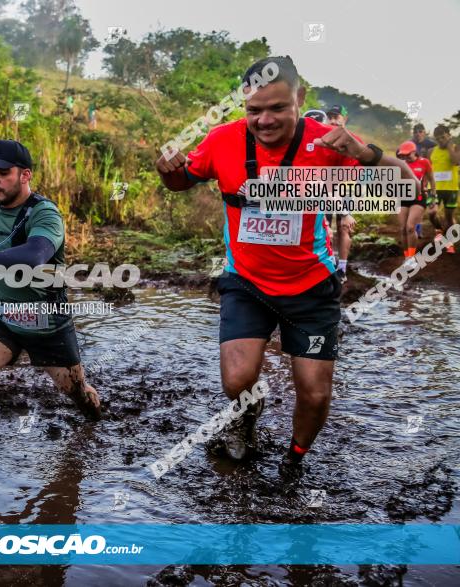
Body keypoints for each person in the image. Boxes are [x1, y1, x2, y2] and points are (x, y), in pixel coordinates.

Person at [154, 56, 418, 476]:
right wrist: (168, 171)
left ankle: (294, 462)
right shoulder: (223, 139)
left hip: (311, 286)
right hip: (247, 283)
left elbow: (408, 185)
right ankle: (245, 418)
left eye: (277, 108)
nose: (264, 120)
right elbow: (183, 179)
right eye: (254, 110)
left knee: (314, 394)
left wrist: (363, 152)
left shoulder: (329, 143)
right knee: (236, 380)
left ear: (299, 98)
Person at [0, 139, 101, 449]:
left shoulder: (45, 214)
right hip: (2, 317)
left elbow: (33, 257)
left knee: (80, 397)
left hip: (46, 324)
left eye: (2, 172)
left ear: (25, 175)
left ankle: (97, 432)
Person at [323, 103, 356, 282]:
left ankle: (342, 269)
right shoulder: (323, 138)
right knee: (324, 226)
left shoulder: (351, 139)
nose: (333, 121)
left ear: (345, 118)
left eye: (337, 117)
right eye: (331, 117)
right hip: (324, 188)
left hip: (345, 188)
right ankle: (327, 266)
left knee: (344, 226)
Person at [396, 141, 432, 264]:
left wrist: (433, 197)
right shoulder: (401, 164)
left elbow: (432, 180)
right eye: (403, 155)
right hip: (403, 197)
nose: (406, 157)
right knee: (402, 229)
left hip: (419, 197)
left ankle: (412, 257)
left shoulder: (424, 162)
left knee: (410, 227)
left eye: (408, 154)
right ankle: (406, 257)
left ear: (414, 152)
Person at [430, 125, 460, 253]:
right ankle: (439, 230)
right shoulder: (431, 151)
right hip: (435, 189)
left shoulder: (456, 148)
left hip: (451, 188)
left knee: (449, 216)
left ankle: (449, 243)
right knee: (431, 213)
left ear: (449, 135)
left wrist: (449, 146)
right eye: (438, 138)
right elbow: (428, 168)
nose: (441, 140)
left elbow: (455, 162)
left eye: (443, 137)